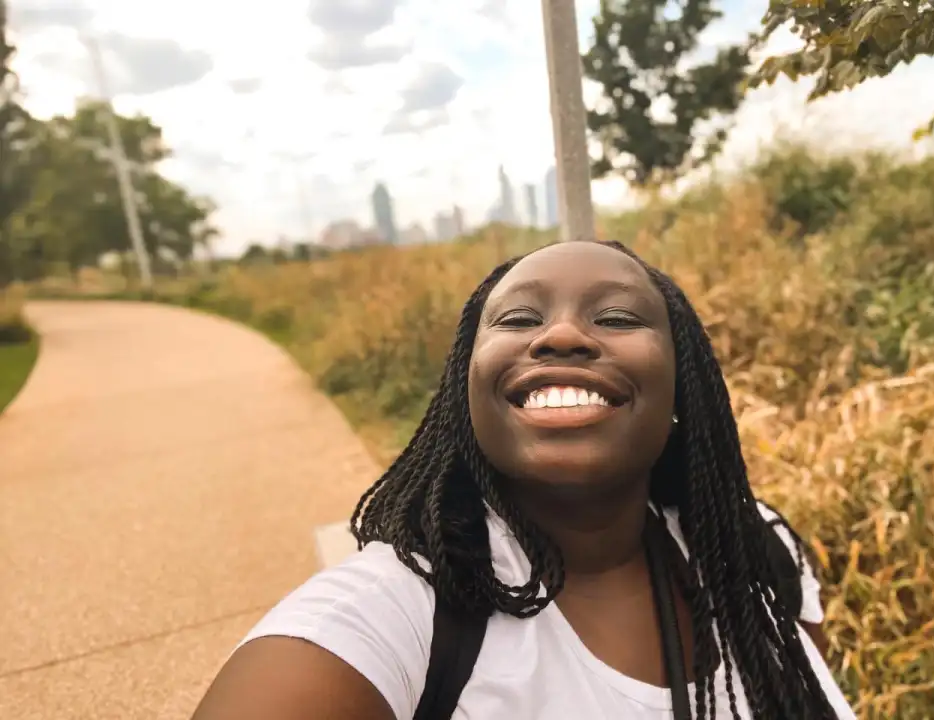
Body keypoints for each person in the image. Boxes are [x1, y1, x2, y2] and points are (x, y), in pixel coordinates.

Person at [191, 241, 856, 719]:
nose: (562, 335)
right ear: (465, 387)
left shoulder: (754, 549)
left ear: (684, 384)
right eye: (517, 319)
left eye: (617, 317)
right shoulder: (394, 615)